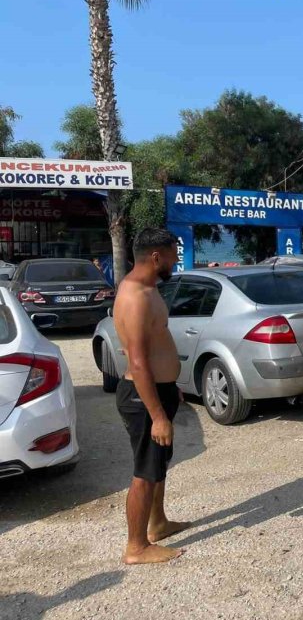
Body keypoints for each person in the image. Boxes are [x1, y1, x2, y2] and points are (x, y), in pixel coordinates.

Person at [113, 228, 190, 564]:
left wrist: (171, 387)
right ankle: (136, 546)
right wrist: (157, 414)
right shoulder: (134, 297)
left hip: (160, 391)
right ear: (156, 256)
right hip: (143, 400)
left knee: (159, 465)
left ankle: (157, 524)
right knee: (145, 472)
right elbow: (139, 362)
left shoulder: (149, 290)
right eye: (173, 254)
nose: (176, 260)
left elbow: (158, 347)